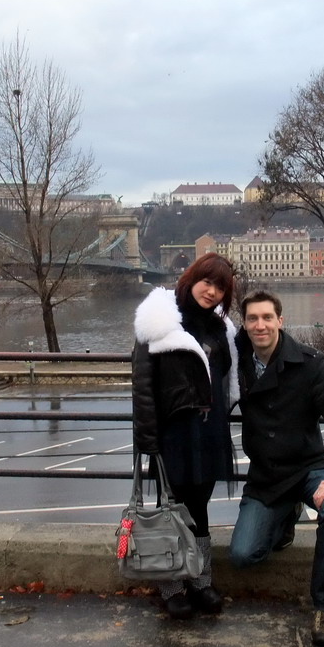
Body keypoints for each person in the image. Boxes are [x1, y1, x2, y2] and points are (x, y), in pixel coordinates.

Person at [229, 289, 324, 647]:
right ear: (244, 325)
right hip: (267, 475)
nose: (260, 325)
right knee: (243, 556)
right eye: (253, 319)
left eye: (267, 318)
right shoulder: (236, 360)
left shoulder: (310, 363)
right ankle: (285, 517)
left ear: (280, 321)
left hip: (307, 466)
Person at [131, 253, 239, 620]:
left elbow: (228, 380)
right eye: (207, 281)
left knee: (200, 509)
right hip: (173, 433)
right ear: (192, 278)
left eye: (220, 287)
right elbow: (143, 387)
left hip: (209, 433)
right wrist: (149, 442)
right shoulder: (159, 320)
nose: (211, 291)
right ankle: (172, 587)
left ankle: (200, 580)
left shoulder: (221, 329)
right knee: (171, 510)